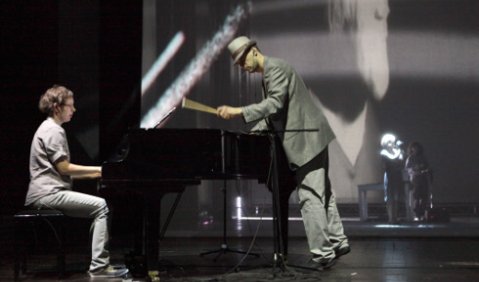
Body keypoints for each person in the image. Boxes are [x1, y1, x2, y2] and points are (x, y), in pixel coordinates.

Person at [217, 36, 350, 269]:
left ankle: (323, 253)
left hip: (307, 140)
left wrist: (238, 111)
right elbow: (275, 115)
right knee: (322, 193)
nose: (241, 67)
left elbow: (274, 104)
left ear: (254, 51)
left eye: (241, 60)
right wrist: (252, 132)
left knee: (310, 196)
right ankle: (338, 242)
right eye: (237, 63)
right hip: (313, 137)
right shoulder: (271, 71)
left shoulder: (274, 68)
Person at [25, 85, 128, 278]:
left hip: (47, 192)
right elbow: (64, 168)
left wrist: (98, 173)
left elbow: (65, 170)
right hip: (47, 194)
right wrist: (100, 170)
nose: (74, 110)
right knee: (102, 207)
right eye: (70, 106)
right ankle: (99, 266)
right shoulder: (53, 131)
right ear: (57, 107)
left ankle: (98, 260)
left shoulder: (50, 128)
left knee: (101, 207)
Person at [380, 133, 405, 223]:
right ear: (385, 143)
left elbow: (401, 163)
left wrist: (400, 151)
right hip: (390, 175)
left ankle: (396, 216)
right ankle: (391, 218)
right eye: (389, 142)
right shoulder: (384, 153)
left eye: (392, 141)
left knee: (397, 197)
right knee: (390, 197)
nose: (391, 143)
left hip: (397, 175)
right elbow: (386, 165)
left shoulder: (398, 151)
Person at [405, 142, 431, 221]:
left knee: (424, 197)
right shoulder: (410, 158)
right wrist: (414, 172)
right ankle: (416, 214)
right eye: (414, 147)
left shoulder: (423, 158)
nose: (416, 149)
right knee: (416, 197)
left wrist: (424, 171)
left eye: (417, 147)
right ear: (411, 149)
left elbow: (428, 167)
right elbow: (407, 169)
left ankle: (422, 214)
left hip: (423, 179)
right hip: (415, 179)